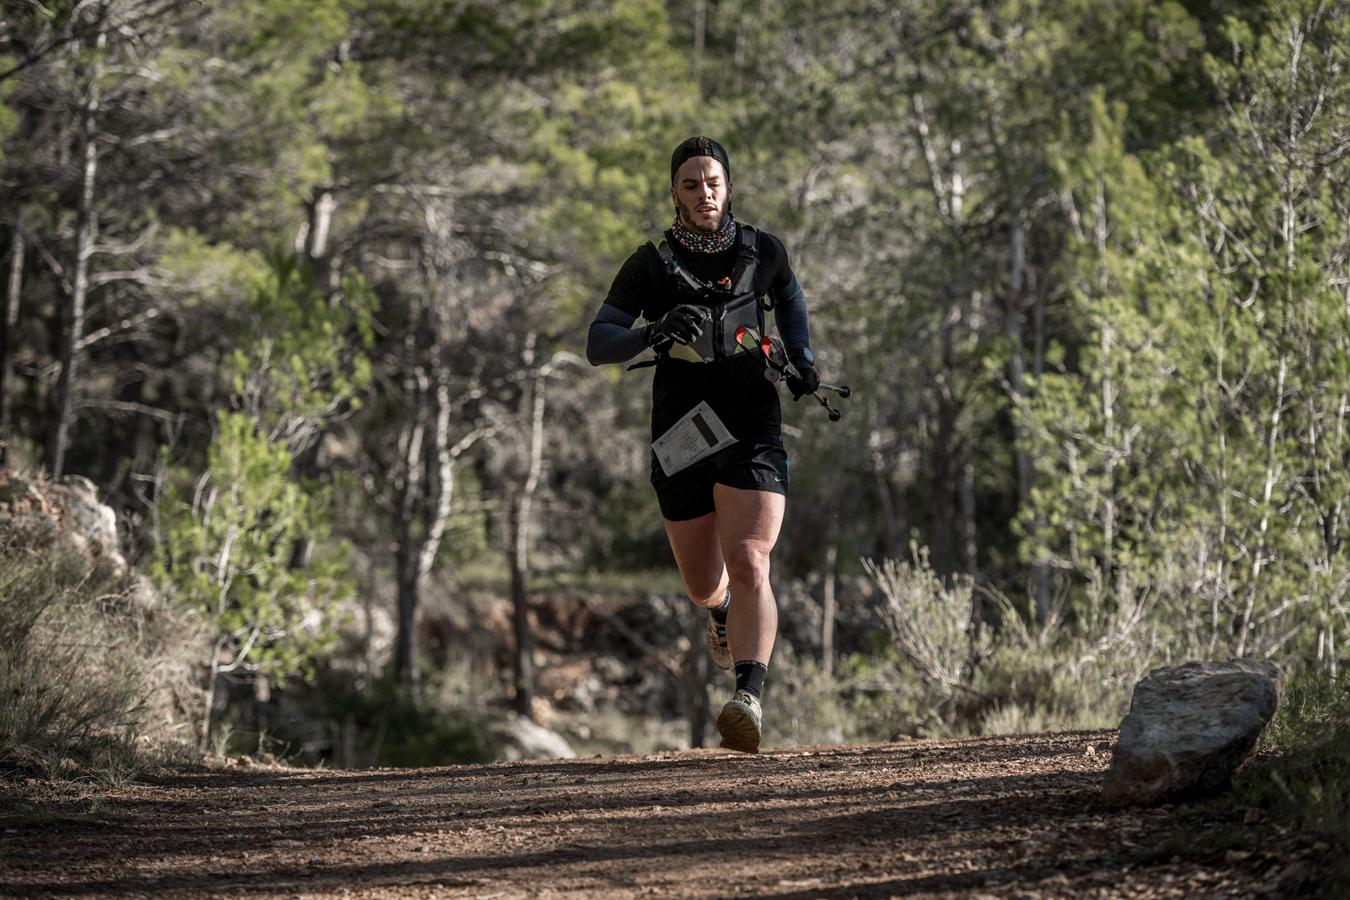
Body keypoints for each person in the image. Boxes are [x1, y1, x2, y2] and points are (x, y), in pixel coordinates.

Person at [585, 136, 819, 753]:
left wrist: (802, 359)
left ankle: (748, 697)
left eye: (713, 181)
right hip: (681, 432)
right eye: (691, 184)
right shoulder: (650, 264)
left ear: (729, 186)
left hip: (750, 423)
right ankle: (717, 611)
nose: (704, 193)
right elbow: (597, 341)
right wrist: (653, 330)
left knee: (751, 561)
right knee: (701, 582)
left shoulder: (764, 250)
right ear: (675, 194)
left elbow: (790, 301)